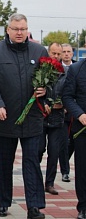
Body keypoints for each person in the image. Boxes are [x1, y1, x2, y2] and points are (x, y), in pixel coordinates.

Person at [0, 13, 48, 218]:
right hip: (4, 118)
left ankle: (34, 206)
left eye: (23, 29)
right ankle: (3, 203)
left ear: (27, 29)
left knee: (32, 162)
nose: (19, 33)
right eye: (15, 29)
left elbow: (51, 80)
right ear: (8, 29)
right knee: (4, 162)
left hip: (32, 118)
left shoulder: (39, 51)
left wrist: (45, 92)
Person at [38, 42, 66, 196]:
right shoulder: (41, 69)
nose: (56, 56)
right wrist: (43, 104)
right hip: (41, 117)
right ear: (48, 52)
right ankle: (35, 179)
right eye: (53, 53)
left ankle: (49, 183)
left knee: (54, 152)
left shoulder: (66, 73)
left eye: (58, 54)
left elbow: (69, 92)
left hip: (57, 118)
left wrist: (61, 104)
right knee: (38, 149)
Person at [62, 58, 86, 219]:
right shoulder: (77, 69)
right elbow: (67, 97)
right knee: (83, 169)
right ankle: (83, 206)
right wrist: (79, 114)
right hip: (82, 128)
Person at [59, 43, 76, 183]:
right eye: (63, 51)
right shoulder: (55, 68)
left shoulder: (78, 67)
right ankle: (65, 171)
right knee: (63, 142)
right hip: (61, 113)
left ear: (72, 53)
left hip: (76, 113)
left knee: (74, 143)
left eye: (68, 51)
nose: (66, 54)